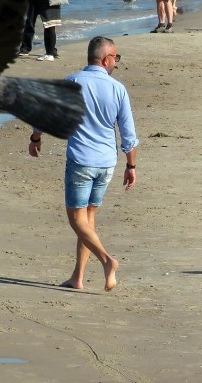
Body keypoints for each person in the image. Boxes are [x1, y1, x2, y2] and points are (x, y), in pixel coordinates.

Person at [29, 36, 138, 293]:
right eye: (116, 58)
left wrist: (36, 137)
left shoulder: (72, 82)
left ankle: (107, 261)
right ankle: (77, 276)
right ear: (105, 59)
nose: (116, 63)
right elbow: (128, 134)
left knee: (76, 218)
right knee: (88, 219)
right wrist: (130, 166)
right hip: (107, 163)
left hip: (81, 160)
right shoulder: (117, 88)